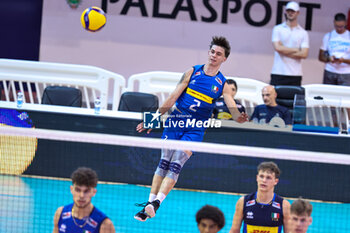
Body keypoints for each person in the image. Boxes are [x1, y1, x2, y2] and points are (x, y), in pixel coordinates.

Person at [134, 36, 248, 222]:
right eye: (212, 51)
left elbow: (232, 108)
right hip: (176, 120)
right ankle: (148, 205)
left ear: (224, 59)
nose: (213, 55)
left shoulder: (222, 84)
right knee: (164, 163)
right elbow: (172, 97)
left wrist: (239, 118)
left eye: (218, 54)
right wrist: (153, 119)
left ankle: (156, 204)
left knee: (177, 163)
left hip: (196, 128)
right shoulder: (192, 72)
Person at [229, 161, 291, 233]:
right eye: (261, 176)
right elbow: (234, 230)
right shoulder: (243, 202)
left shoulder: (284, 205)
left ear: (276, 181)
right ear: (257, 178)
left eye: (268, 178)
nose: (264, 180)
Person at [53, 167, 115, 233]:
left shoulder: (105, 224)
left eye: (86, 191)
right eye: (78, 190)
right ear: (71, 189)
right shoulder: (60, 213)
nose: (81, 196)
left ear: (94, 192)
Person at [270, 1, 309, 86]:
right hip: (278, 72)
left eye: (293, 11)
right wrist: (296, 49)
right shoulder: (278, 29)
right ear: (285, 12)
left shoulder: (303, 33)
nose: (290, 13)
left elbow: (304, 54)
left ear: (298, 13)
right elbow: (277, 48)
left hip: (295, 74)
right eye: (288, 11)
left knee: (293, 98)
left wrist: (283, 50)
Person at [319, 13, 350, 86]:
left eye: (341, 26)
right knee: (328, 95)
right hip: (330, 71)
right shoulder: (328, 36)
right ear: (334, 22)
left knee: (344, 96)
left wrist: (343, 60)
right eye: (337, 26)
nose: (339, 29)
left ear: (345, 23)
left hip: (345, 72)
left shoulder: (348, 36)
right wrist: (329, 58)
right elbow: (320, 56)